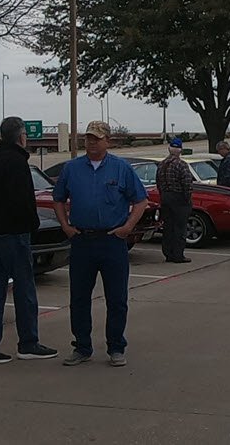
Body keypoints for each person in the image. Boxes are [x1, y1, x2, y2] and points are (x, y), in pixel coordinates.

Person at [52, 121, 149, 367]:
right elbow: (58, 199)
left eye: (97, 138)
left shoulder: (121, 168)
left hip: (112, 242)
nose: (92, 142)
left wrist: (128, 227)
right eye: (88, 138)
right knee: (79, 298)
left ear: (108, 141)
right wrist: (66, 226)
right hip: (82, 241)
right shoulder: (72, 169)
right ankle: (82, 347)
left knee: (116, 298)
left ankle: (116, 347)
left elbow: (140, 201)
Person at [0, 117, 57, 366]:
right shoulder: (18, 163)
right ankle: (28, 343)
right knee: (25, 290)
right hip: (14, 235)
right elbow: (24, 201)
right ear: (21, 137)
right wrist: (32, 224)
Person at [156, 137, 193, 263]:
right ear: (180, 150)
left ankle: (168, 253)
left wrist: (163, 195)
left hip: (165, 197)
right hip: (179, 198)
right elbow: (187, 183)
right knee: (180, 228)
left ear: (169, 149)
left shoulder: (161, 164)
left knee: (168, 227)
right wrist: (187, 199)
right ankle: (178, 255)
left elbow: (158, 182)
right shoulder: (181, 165)